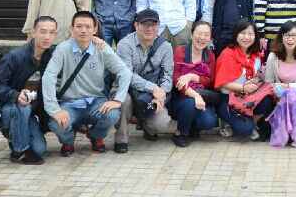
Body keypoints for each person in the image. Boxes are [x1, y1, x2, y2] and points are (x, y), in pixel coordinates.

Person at [42, 11, 132, 156]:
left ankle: (95, 136)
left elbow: (125, 72)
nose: (83, 30)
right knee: (55, 122)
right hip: (70, 103)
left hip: (96, 101)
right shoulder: (63, 49)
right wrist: (54, 109)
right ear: (72, 29)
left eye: (88, 27)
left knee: (112, 115)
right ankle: (68, 141)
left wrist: (117, 99)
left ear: (95, 29)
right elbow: (49, 76)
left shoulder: (102, 48)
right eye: (79, 26)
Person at [0, 16, 58, 164]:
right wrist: (15, 95)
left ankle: (18, 136)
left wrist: (96, 41)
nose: (47, 37)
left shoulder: (53, 55)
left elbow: (75, 47)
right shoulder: (14, 56)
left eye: (52, 32)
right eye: (43, 31)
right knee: (22, 107)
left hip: (31, 111)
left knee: (39, 149)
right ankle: (19, 150)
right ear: (33, 32)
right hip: (10, 108)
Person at [114, 9, 175, 153]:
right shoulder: (125, 45)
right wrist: (153, 88)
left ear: (158, 26)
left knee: (161, 123)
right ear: (136, 25)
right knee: (124, 101)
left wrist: (161, 94)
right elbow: (127, 75)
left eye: (153, 24)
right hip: (127, 89)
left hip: (151, 95)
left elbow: (167, 75)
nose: (149, 28)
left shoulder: (165, 46)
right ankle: (121, 139)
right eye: (145, 24)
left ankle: (147, 126)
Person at [214, 20, 274, 140]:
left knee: (267, 101)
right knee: (245, 129)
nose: (246, 37)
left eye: (250, 34)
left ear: (255, 36)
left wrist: (256, 82)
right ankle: (228, 121)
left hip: (249, 98)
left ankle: (250, 122)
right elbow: (221, 83)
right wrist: (243, 88)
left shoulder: (255, 55)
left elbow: (257, 76)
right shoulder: (227, 54)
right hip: (229, 99)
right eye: (242, 33)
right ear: (236, 34)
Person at [264, 21, 296, 148]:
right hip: (279, 95)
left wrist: (288, 87)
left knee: (291, 95)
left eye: (294, 35)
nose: (290, 39)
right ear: (281, 37)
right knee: (288, 96)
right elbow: (268, 82)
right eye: (287, 35)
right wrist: (279, 90)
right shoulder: (273, 56)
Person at [170, 20, 219, 147]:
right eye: (199, 33)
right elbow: (177, 81)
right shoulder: (180, 51)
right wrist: (195, 95)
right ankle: (180, 133)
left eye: (206, 35)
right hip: (181, 97)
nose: (202, 38)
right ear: (192, 35)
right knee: (190, 103)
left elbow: (210, 80)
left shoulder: (210, 55)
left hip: (202, 95)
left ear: (210, 38)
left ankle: (192, 126)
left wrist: (192, 76)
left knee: (209, 122)